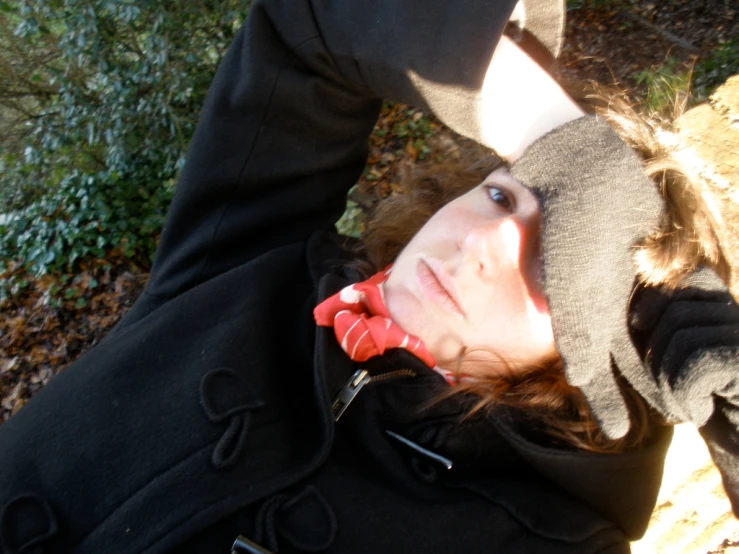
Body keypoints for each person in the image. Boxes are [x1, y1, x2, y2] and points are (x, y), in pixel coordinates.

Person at [0, 1, 737, 554]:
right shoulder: (254, 261)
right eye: (500, 193)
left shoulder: (552, 538)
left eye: (554, 261)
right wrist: (562, 142)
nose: (478, 239)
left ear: (605, 357)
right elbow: (309, 20)